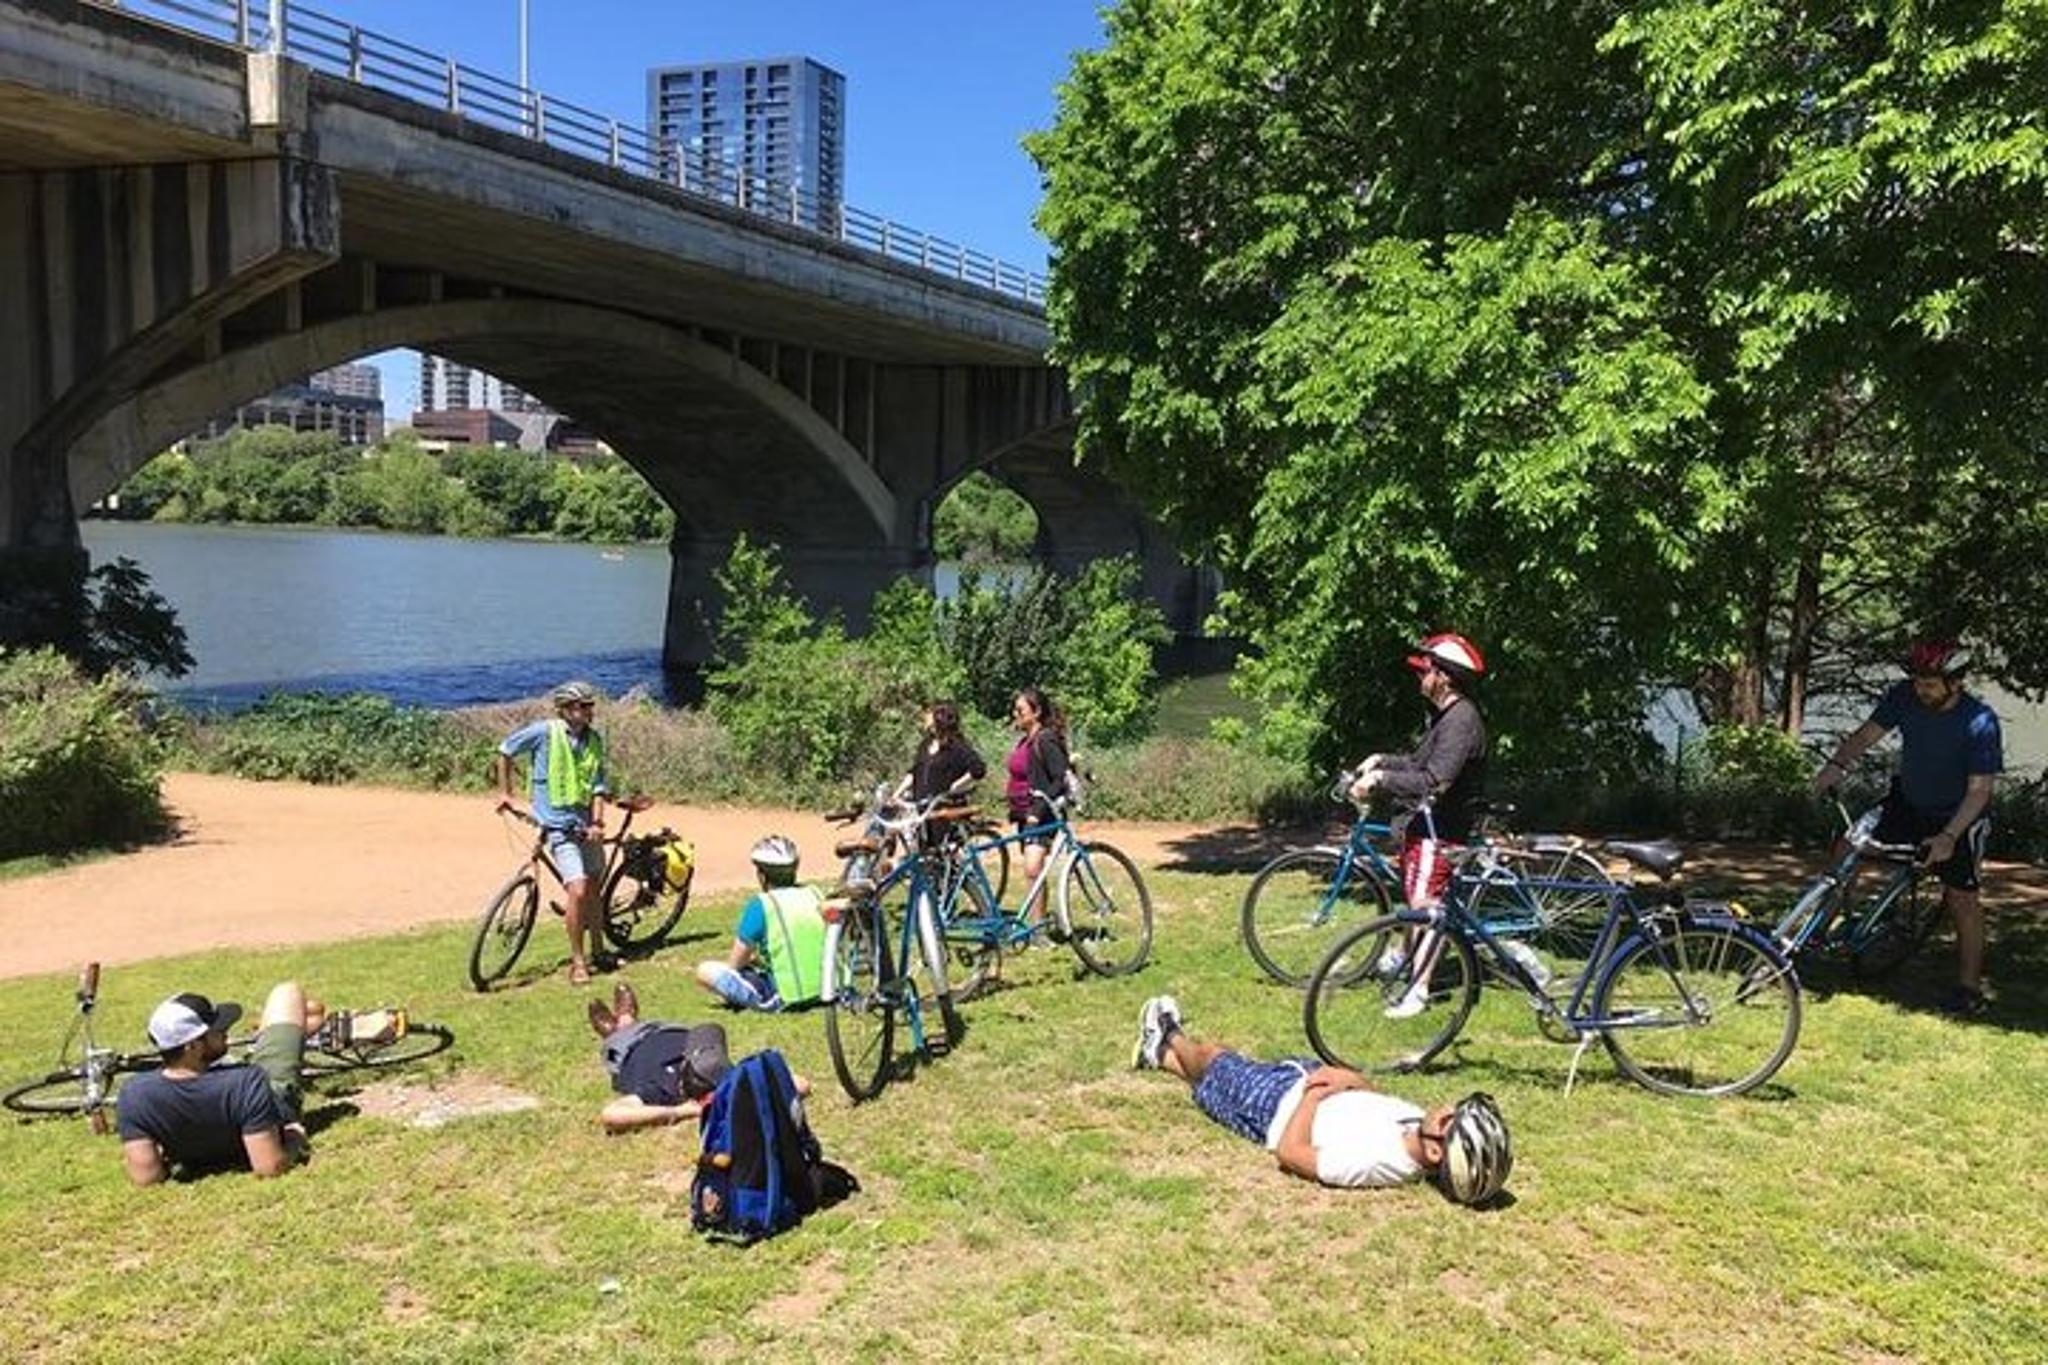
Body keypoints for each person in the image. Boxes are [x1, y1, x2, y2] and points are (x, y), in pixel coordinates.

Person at [1130, 996, 1511, 1205]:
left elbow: (1292, 1154)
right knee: (1214, 1078)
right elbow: (1373, 1100)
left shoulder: (1378, 1164)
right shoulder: (1416, 1125)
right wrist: (1350, 1079)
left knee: (1214, 1058)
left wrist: (1312, 1098)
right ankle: (1158, 1056)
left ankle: (1167, 1030)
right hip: (1303, 1083)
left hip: (1278, 1107)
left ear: (1434, 1154)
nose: (1446, 1109)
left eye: (1451, 1121)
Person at [1813, 640, 2004, 1016]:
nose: (1922, 690)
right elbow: (1867, 735)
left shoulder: (1980, 721)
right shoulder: (1904, 697)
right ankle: (1815, 934)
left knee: (1961, 899)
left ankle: (1969, 988)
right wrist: (1835, 766)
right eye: (1918, 682)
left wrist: (1949, 837)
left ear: (1955, 684)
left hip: (1959, 816)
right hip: (1908, 802)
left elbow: (1980, 791)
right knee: (1847, 849)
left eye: (1930, 684)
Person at [116, 982, 396, 1185]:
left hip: (219, 1096)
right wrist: (295, 1137)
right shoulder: (246, 1081)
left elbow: (147, 1177)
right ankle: (305, 1029)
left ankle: (308, 1027)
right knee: (288, 993)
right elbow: (269, 1165)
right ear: (193, 1046)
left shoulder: (134, 1095)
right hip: (270, 1091)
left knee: (312, 1013)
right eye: (217, 1031)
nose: (224, 1032)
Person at [1350, 634, 1490, 1018]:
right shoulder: (1446, 717)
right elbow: (1417, 764)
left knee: (1426, 909)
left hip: (1440, 829)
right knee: (1416, 901)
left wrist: (1380, 782)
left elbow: (1435, 781)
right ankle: (1403, 959)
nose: (1419, 677)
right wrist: (1381, 762)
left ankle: (1419, 991)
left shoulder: (1461, 721)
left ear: (1444, 677)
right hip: (1425, 826)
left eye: (1425, 670)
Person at [495, 680, 612, 986]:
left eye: (590, 706)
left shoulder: (594, 740)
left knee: (595, 887)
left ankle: (600, 949)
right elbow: (505, 750)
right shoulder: (544, 732)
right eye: (581, 707)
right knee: (578, 890)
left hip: (586, 823)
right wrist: (506, 793)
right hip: (558, 826)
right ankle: (578, 962)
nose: (588, 712)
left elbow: (598, 785)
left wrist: (598, 823)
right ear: (565, 710)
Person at [583, 980, 812, 1132]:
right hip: (669, 1030)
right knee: (641, 1027)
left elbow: (612, 1115)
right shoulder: (729, 1076)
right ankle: (627, 1019)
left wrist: (680, 1112)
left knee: (618, 1036)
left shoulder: (664, 1091)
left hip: (626, 1050)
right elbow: (800, 1084)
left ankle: (617, 1027)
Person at [693, 835, 826, 1013]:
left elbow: (735, 964)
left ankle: (743, 997)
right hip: (829, 989)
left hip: (785, 996)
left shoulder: (762, 904)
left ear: (762, 876)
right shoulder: (815, 893)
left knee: (706, 971)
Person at [1005, 686, 1071, 924]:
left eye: (1021, 710)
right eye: (1015, 710)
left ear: (1037, 712)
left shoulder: (1045, 739)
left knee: (1033, 868)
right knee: (1032, 872)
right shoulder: (1026, 741)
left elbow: (1060, 778)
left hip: (1040, 815)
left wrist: (1037, 811)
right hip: (1023, 814)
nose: (1016, 714)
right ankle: (1036, 922)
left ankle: (1038, 928)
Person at [897, 701, 987, 806]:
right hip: (921, 808)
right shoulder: (926, 744)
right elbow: (915, 772)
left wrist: (955, 787)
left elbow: (978, 769)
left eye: (929, 713)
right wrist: (897, 794)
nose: (925, 717)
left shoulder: (957, 746)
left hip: (945, 811)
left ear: (939, 717)